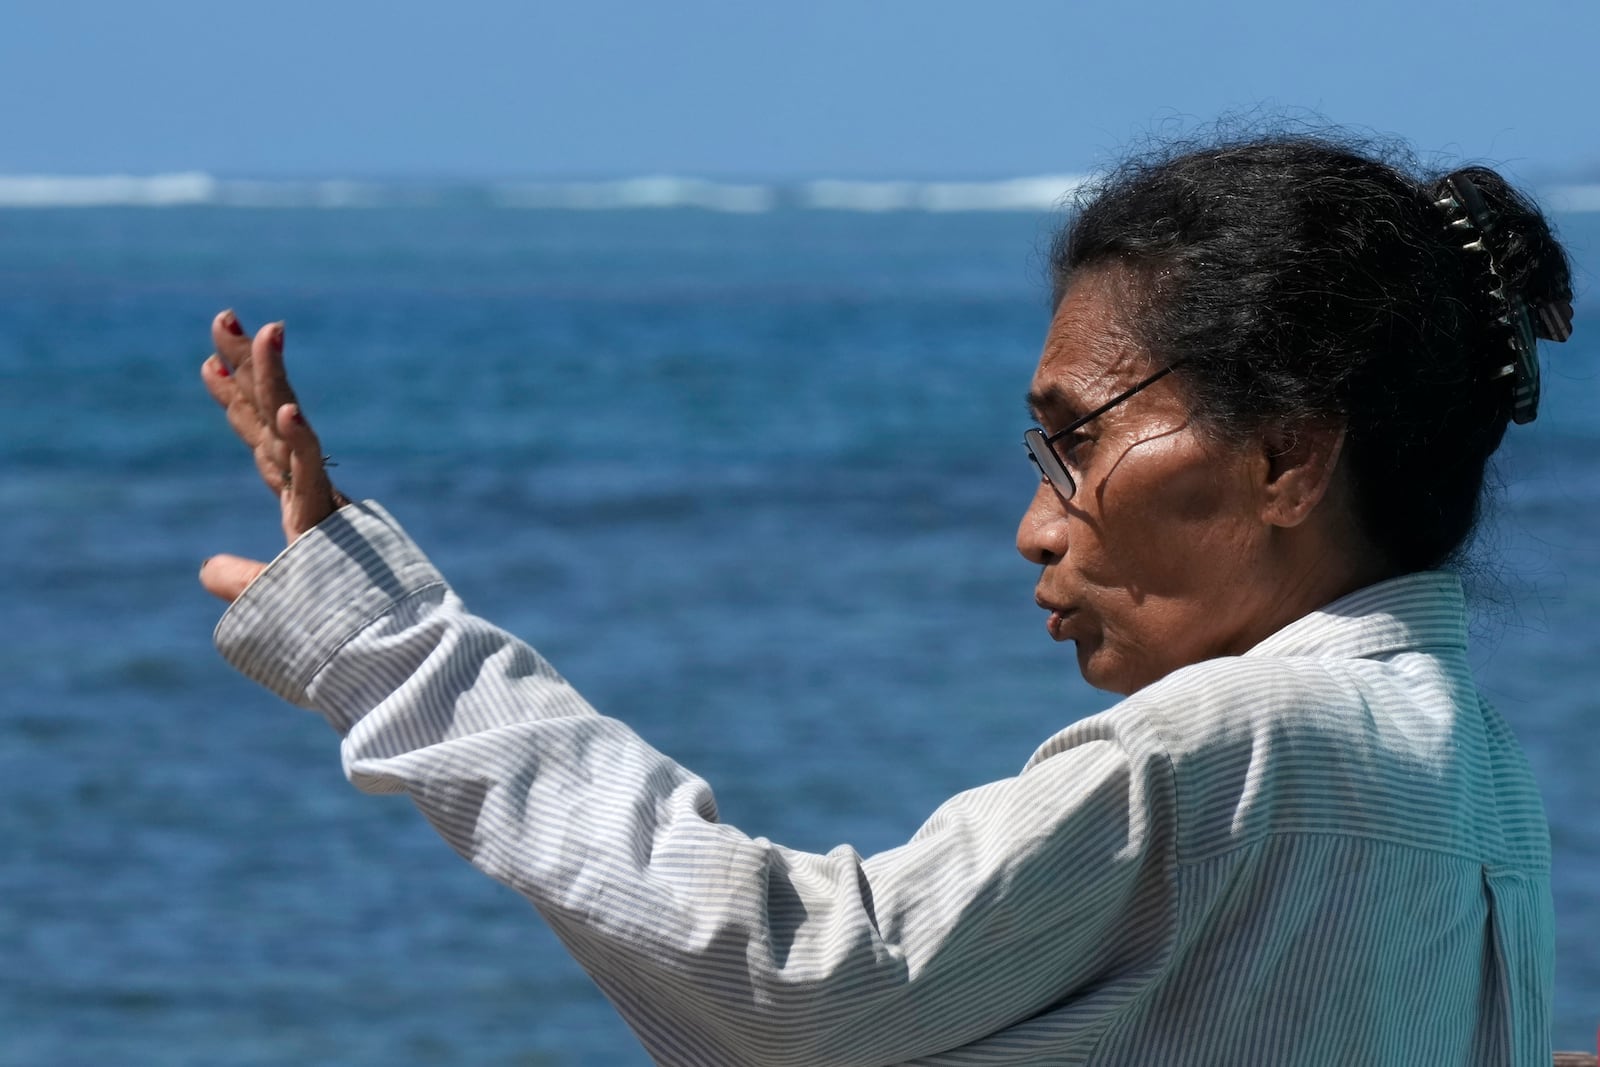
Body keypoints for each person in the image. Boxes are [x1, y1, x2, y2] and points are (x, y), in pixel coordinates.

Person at [198, 132, 1575, 1065]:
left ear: (1287, 456)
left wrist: (387, 649)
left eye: (1079, 439)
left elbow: (796, 981)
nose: (1038, 526)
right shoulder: (1473, 772)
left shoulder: (1239, 741)